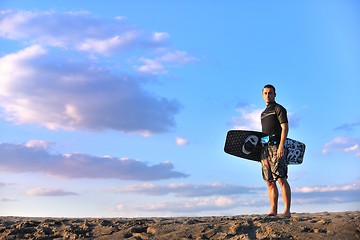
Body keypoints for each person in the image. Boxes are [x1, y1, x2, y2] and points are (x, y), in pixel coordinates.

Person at [260, 84, 291, 218]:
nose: (268, 95)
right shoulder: (263, 113)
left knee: (281, 178)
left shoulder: (279, 109)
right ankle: (273, 210)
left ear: (275, 94)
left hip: (276, 147)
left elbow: (285, 129)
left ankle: (287, 211)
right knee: (269, 181)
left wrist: (281, 146)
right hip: (265, 149)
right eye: (266, 93)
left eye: (270, 93)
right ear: (263, 95)